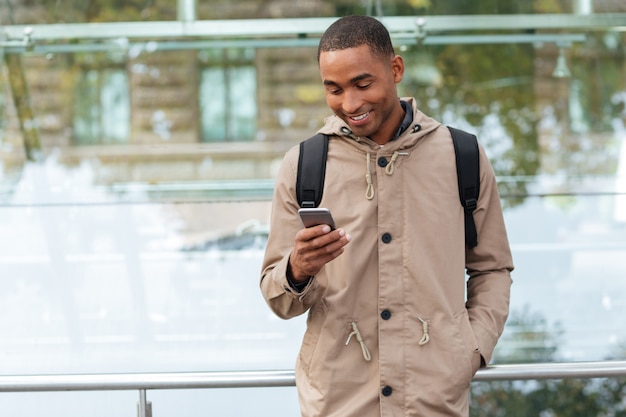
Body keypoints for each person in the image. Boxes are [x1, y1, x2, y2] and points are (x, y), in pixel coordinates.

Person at [260, 14, 513, 417]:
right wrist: (297, 268)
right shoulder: (304, 165)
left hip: (434, 402)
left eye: (363, 84)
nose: (350, 103)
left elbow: (492, 269)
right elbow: (278, 298)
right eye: (334, 89)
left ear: (396, 69)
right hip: (338, 403)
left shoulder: (463, 155)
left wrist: (471, 349)